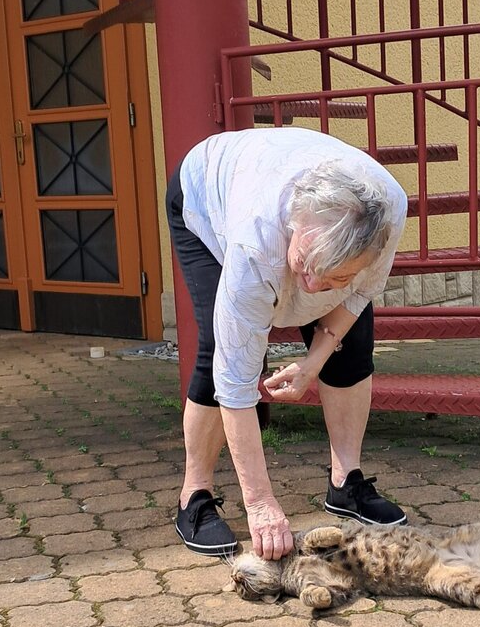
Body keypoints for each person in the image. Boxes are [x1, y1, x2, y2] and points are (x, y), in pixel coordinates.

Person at [166, 125, 409, 559]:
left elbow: (358, 294)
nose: (312, 288)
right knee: (217, 349)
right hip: (203, 193)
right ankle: (194, 496)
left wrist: (313, 363)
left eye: (334, 277)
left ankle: (346, 483)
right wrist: (261, 505)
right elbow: (235, 383)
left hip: (285, 186)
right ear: (296, 224)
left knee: (352, 345)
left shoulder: (386, 214)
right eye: (304, 265)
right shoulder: (255, 242)